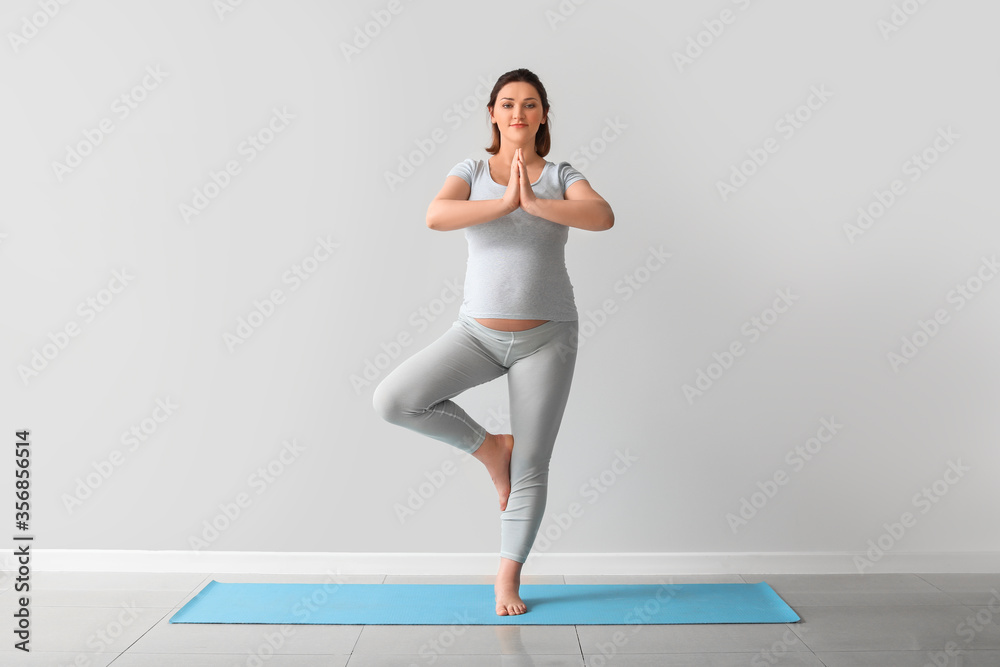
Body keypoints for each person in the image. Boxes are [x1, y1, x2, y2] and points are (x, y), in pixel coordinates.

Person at [372, 68, 614, 616]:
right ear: (492, 113)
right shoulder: (473, 170)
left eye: (530, 104)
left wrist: (537, 204)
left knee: (532, 465)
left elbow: (602, 215)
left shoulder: (561, 175)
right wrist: (505, 203)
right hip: (477, 334)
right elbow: (437, 215)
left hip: (547, 338)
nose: (518, 113)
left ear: (543, 115)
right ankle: (490, 449)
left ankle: (507, 579)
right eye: (508, 104)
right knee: (394, 400)